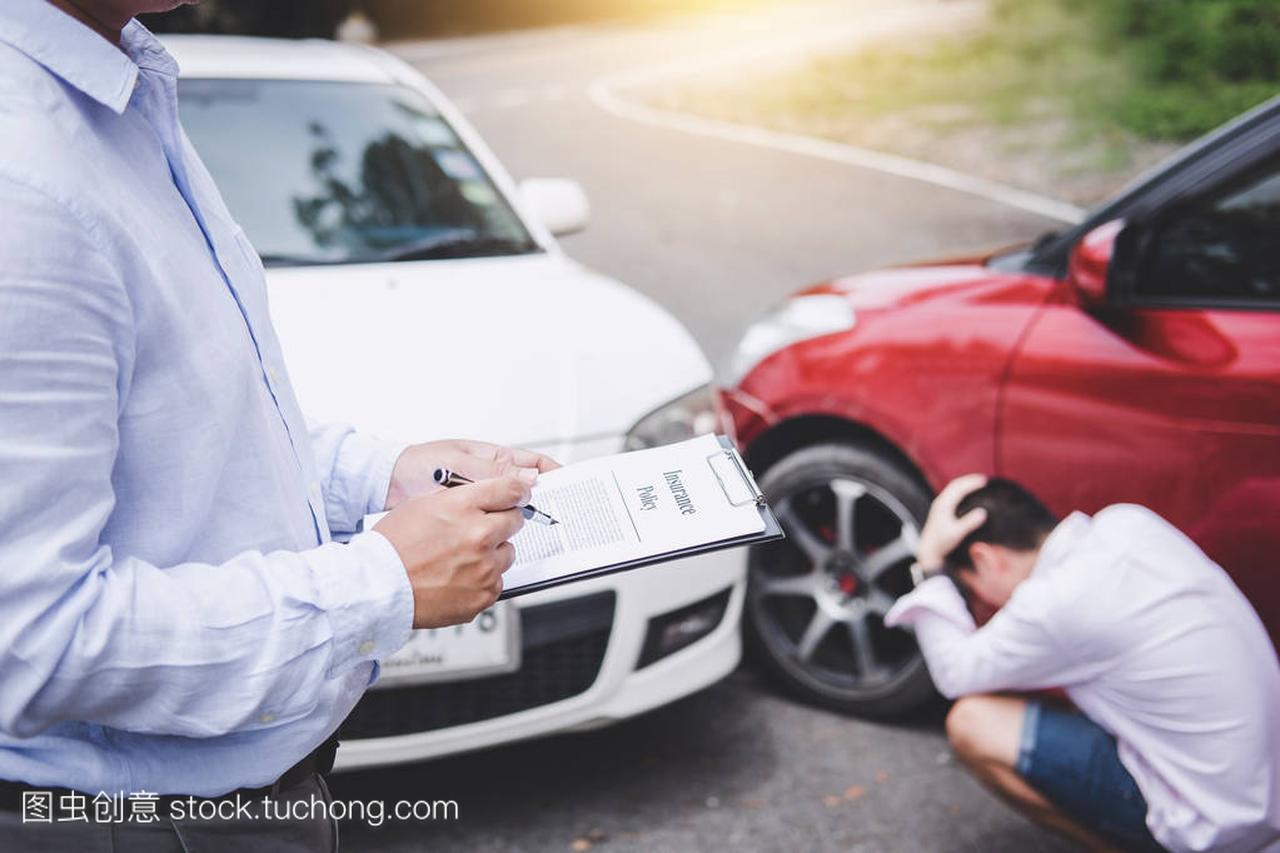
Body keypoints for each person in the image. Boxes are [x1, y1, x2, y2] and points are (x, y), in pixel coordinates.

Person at [0, 1, 556, 849]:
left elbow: (183, 433)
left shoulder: (125, 89)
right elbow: (28, 642)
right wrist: (383, 582)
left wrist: (381, 473)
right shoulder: (25, 180)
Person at [888, 475, 1280, 852]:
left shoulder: (1054, 603)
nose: (984, 604)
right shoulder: (1128, 522)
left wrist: (929, 566)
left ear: (985, 558)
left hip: (1216, 826)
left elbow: (955, 674)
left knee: (973, 722)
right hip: (1264, 796)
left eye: (973, 590)